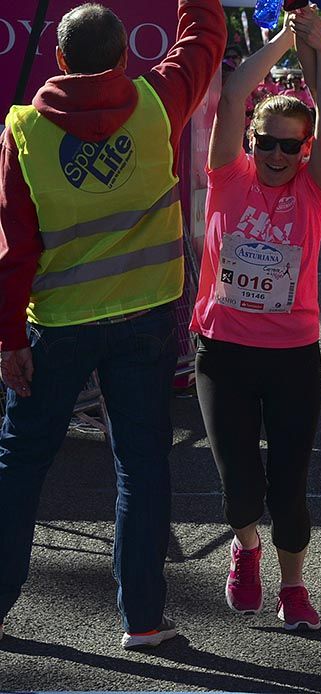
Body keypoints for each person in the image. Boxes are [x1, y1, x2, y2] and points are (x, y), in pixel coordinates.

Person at [0, 0, 224, 647]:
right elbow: (204, 34)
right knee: (142, 464)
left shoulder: (22, 132)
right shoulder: (159, 102)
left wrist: (10, 340)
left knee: (19, 464)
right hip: (144, 320)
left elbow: (12, 256)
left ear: (60, 59)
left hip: (57, 327)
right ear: (125, 57)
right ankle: (144, 620)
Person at [190, 7, 321, 632]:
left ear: (305, 150)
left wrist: (319, 47)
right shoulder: (229, 177)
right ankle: (245, 545)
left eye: (290, 145)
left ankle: (294, 585)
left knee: (290, 484)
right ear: (249, 142)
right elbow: (231, 94)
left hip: (292, 356)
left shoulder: (313, 187)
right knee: (239, 483)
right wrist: (281, 40)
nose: (277, 154)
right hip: (224, 350)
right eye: (266, 142)